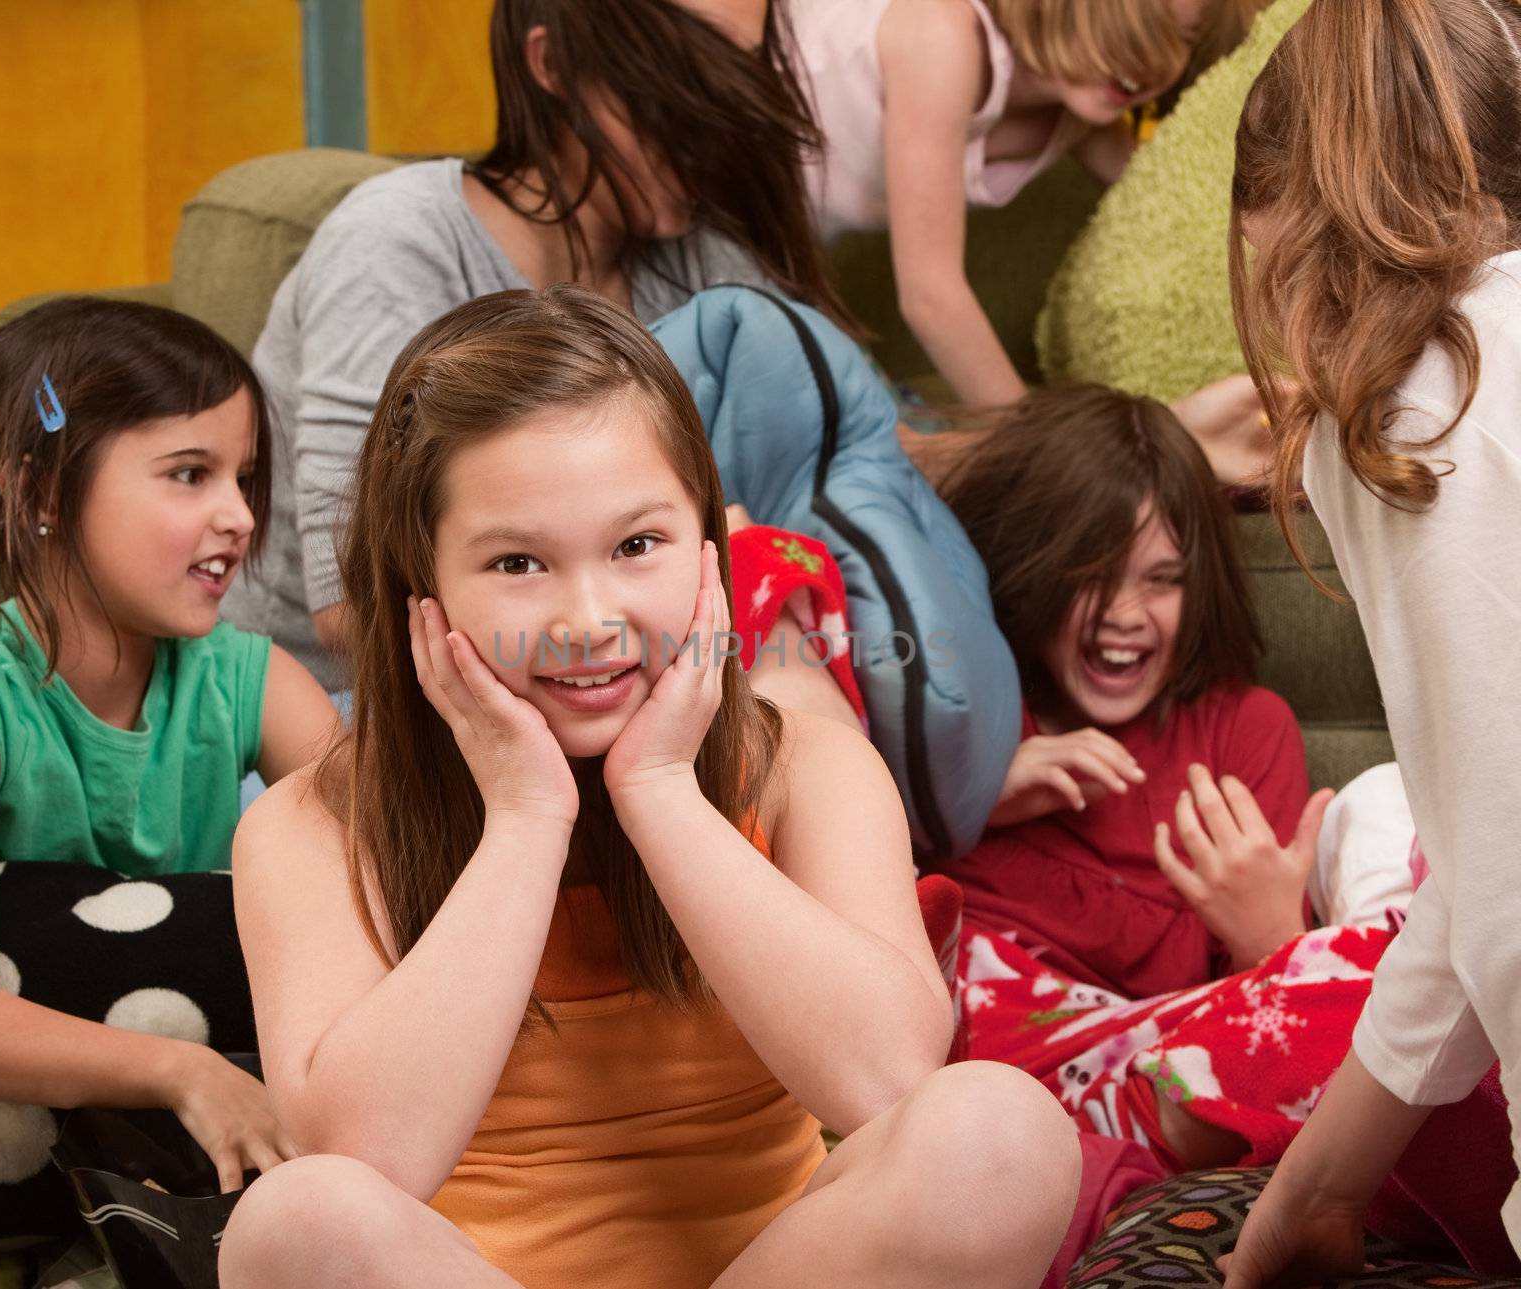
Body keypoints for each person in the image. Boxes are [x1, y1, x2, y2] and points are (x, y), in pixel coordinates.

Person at [218, 286, 1080, 1289]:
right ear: (423, 585)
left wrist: (664, 787)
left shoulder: (804, 765)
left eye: (637, 546)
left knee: (1002, 1131)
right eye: (517, 561)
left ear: (708, 549)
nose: (590, 617)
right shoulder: (314, 825)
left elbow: (886, 1079)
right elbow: (367, 1156)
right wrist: (526, 816)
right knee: (295, 1220)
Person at [223, 0, 856, 694]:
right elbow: (349, 608)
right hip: (368, 702)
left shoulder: (702, 263)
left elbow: (857, 446)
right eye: (680, 82)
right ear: (551, 63)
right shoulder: (397, 242)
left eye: (739, 78)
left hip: (626, 681)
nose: (715, 131)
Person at [913, 385, 1413, 1178]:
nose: (1124, 612)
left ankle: (1068, 1156)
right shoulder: (972, 703)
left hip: (1155, 1064)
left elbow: (1261, 1021)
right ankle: (1033, 1153)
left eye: (1161, 578)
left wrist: (1272, 936)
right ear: (1034, 572)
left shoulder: (1245, 729)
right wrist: (968, 793)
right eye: (1089, 573)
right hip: (972, 1047)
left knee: (1392, 995)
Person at [0, 298, 338, 1245]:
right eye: (190, 474)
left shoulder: (249, 679)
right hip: (9, 1103)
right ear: (39, 493)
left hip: (178, 1104)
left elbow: (386, 855)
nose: (238, 516)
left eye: (245, 478)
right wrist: (180, 1070)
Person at [1218, 0, 1521, 1282]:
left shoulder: (1413, 398)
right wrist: (1309, 1192)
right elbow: (1481, 833)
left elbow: (1504, 862)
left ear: (1283, 224)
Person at [787, 0, 1260, 409]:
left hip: (777, 243)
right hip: (723, 191)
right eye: (1136, 16)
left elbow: (1185, 198)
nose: (1151, 60)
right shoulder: (942, 35)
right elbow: (931, 295)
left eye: (1180, 37)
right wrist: (1043, 440)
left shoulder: (1082, 117)